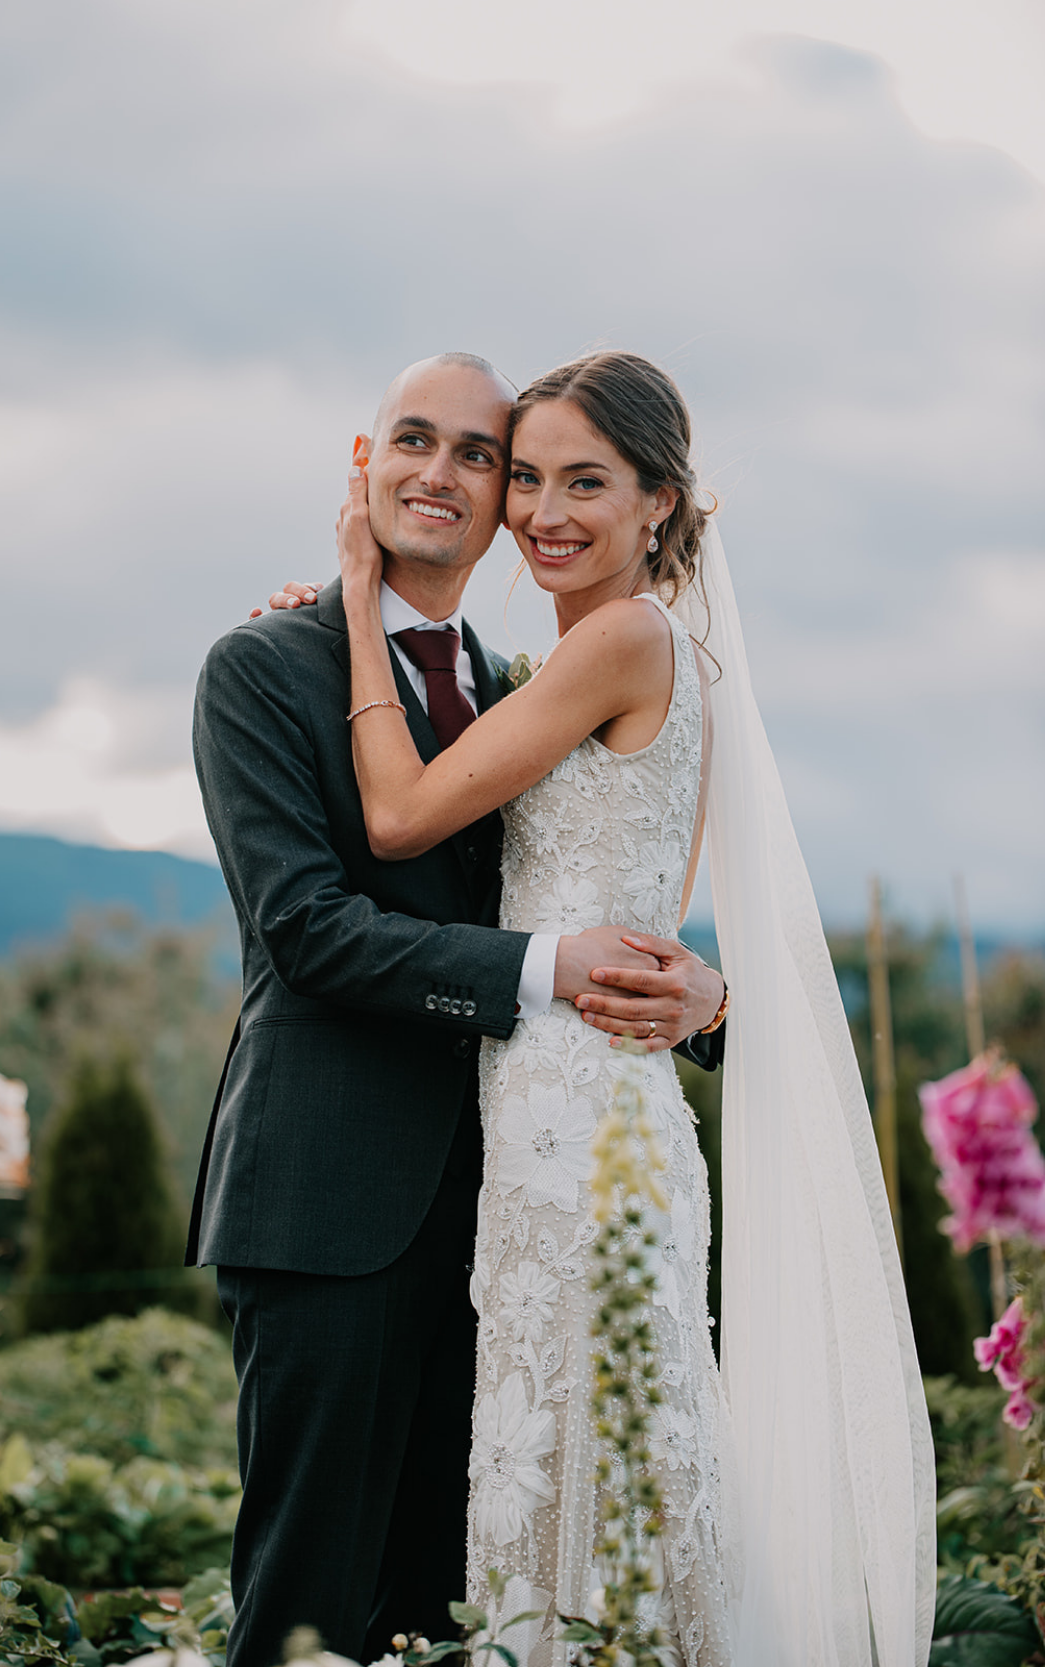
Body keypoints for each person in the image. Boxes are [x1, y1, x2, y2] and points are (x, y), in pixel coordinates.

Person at [324, 351, 930, 1664]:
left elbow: (398, 813)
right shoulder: (640, 650)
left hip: (578, 1125)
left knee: (587, 1472)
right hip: (583, 1110)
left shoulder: (625, 636)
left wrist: (356, 609)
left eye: (583, 480)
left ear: (659, 499)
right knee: (598, 1465)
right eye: (526, 474)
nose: (541, 508)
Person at [185, 353, 732, 1667]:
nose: (447, 471)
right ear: (364, 465)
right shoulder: (264, 665)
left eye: (480, 455)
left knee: (451, 1610)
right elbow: (309, 930)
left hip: (512, 1207)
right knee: (305, 1614)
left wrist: (706, 997)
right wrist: (552, 967)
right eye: (412, 440)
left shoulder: (512, 677)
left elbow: (614, 865)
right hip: (333, 1205)